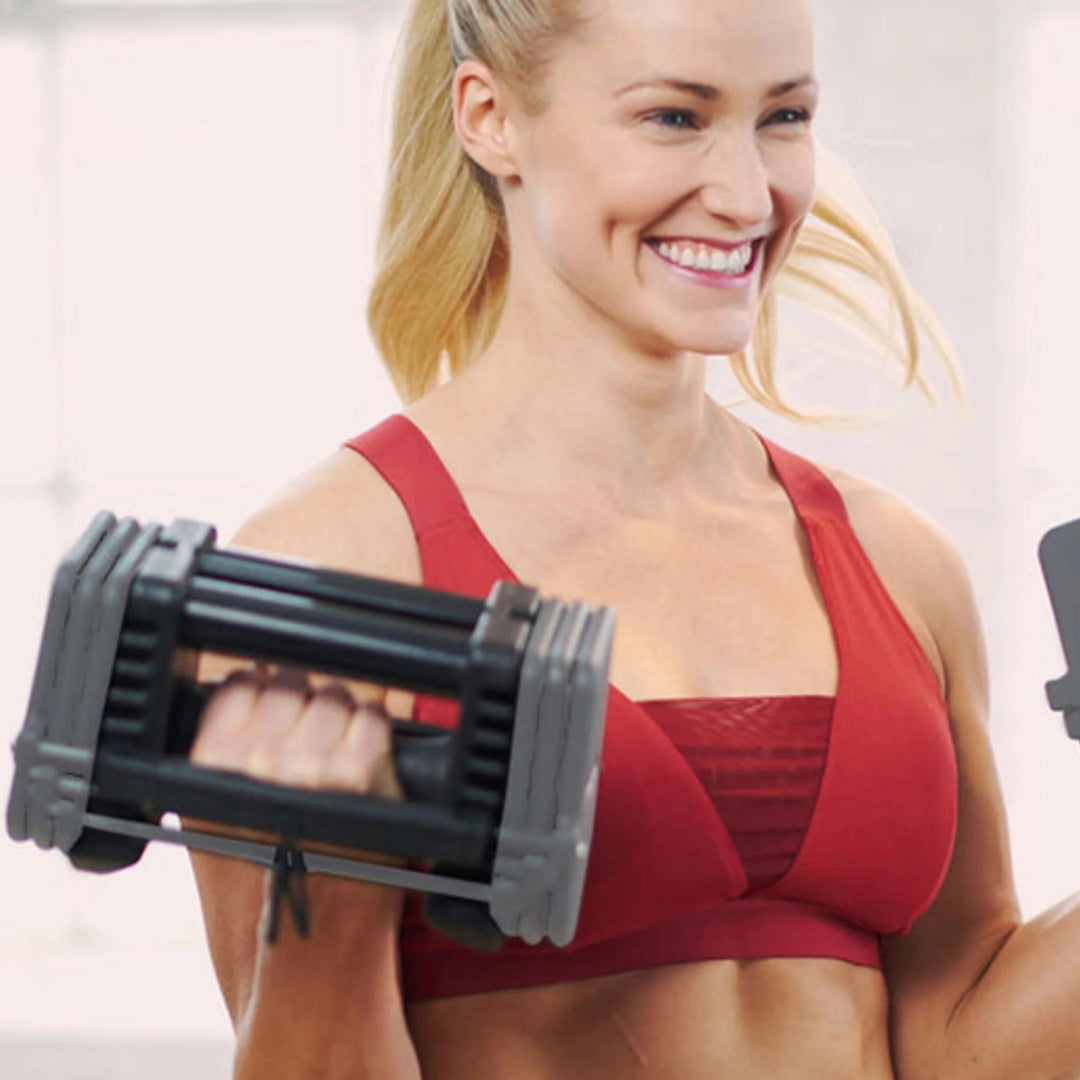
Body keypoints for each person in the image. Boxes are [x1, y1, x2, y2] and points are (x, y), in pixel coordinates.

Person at [186, 0, 1080, 1077]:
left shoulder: (900, 565)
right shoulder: (328, 573)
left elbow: (958, 1042)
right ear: (490, 119)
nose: (751, 195)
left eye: (784, 117)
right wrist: (320, 898)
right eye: (672, 117)